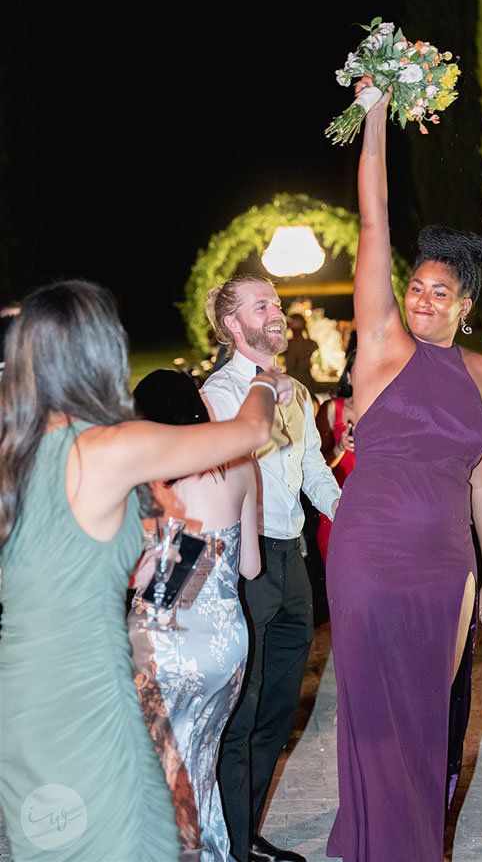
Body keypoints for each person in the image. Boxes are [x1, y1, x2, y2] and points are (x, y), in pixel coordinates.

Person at [0, 279, 291, 862]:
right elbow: (252, 432)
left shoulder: (15, 452)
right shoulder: (109, 449)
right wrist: (262, 378)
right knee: (134, 837)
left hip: (22, 693)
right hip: (88, 687)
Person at [325, 86, 482, 862]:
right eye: (416, 287)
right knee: (372, 709)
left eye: (440, 292)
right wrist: (374, 110)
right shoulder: (379, 346)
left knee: (429, 717)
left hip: (446, 565)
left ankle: (405, 842)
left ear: (465, 305)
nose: (422, 300)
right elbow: (374, 222)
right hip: (368, 553)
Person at [202, 275, 341, 862]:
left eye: (278, 303)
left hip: (293, 562)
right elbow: (228, 472)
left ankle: (245, 836)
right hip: (243, 561)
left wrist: (358, 525)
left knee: (279, 709)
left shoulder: (302, 395)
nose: (277, 313)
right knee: (243, 708)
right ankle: (230, 846)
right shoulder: (218, 393)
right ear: (234, 325)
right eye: (263, 306)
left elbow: (314, 474)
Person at [128, 368, 261, 862]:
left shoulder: (151, 478)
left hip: (168, 647)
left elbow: (158, 588)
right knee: (199, 766)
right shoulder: (242, 466)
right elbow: (250, 565)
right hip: (227, 647)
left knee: (163, 777)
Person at [315, 350, 356, 565]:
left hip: (377, 512)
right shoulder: (332, 409)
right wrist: (340, 447)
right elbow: (315, 464)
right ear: (349, 376)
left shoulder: (385, 412)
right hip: (337, 508)